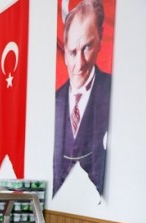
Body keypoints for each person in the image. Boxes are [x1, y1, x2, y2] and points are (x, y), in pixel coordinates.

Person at [53, 0, 111, 197]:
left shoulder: (111, 93)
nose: (79, 64)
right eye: (72, 52)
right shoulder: (55, 102)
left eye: (87, 47)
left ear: (100, 37)